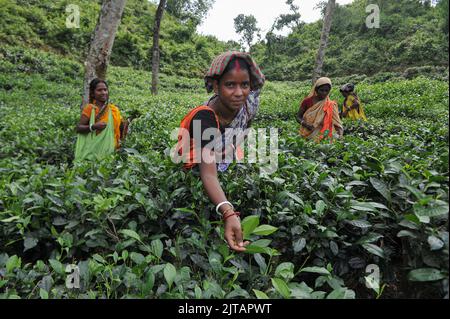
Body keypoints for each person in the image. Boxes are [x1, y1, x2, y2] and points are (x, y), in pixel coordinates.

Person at [176, 51, 265, 252]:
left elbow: (245, 128)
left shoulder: (249, 105)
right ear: (216, 86)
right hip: (196, 173)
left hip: (225, 161)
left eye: (245, 85)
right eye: (230, 85)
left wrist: (231, 148)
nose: (239, 93)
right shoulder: (204, 117)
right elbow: (207, 173)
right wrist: (228, 213)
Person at [74, 78, 128, 161]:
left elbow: (119, 129)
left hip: (111, 153)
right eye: (99, 90)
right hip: (92, 153)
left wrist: (126, 123)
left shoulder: (113, 109)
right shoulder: (90, 109)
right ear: (93, 93)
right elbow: (78, 128)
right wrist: (93, 127)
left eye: (105, 90)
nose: (103, 93)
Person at [296, 77, 343, 142]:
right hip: (308, 132)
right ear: (316, 90)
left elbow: (337, 123)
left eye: (326, 91)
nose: (324, 93)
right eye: (321, 90)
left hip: (325, 133)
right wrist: (306, 125)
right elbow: (298, 117)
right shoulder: (307, 101)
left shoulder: (331, 104)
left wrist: (340, 136)